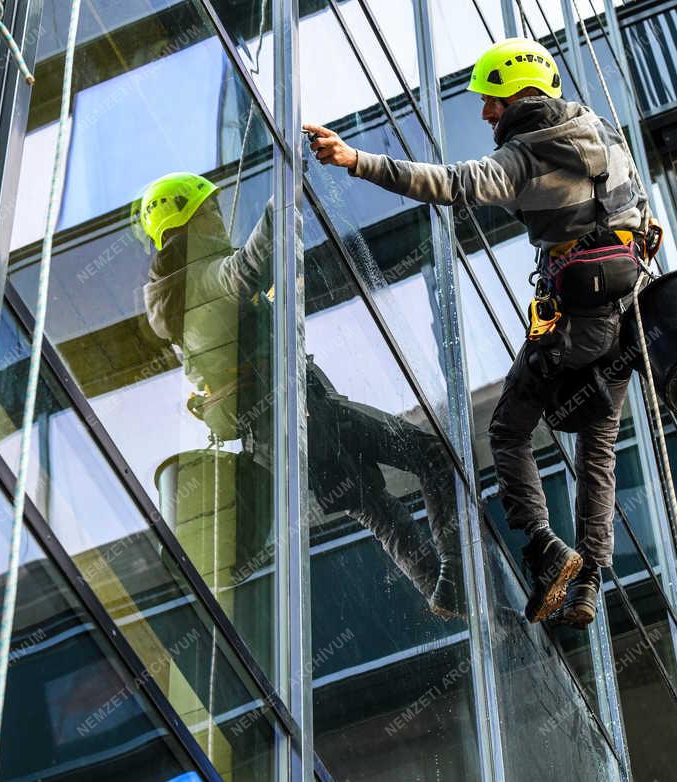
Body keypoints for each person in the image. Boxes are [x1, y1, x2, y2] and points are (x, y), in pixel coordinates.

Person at [304, 37, 649, 627]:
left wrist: (355, 161)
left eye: (490, 99)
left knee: (509, 432)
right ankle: (587, 584)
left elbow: (452, 184)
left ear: (516, 92)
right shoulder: (602, 135)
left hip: (574, 322)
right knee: (597, 448)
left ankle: (544, 547)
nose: (486, 113)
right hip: (626, 313)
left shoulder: (528, 154)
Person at [136, 172, 460, 618]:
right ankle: (456, 573)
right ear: (188, 222)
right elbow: (247, 268)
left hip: (279, 444)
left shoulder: (176, 298)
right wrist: (287, 190)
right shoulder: (198, 281)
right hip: (301, 418)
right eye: (209, 211)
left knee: (378, 511)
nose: (218, 219)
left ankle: (443, 592)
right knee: (433, 457)